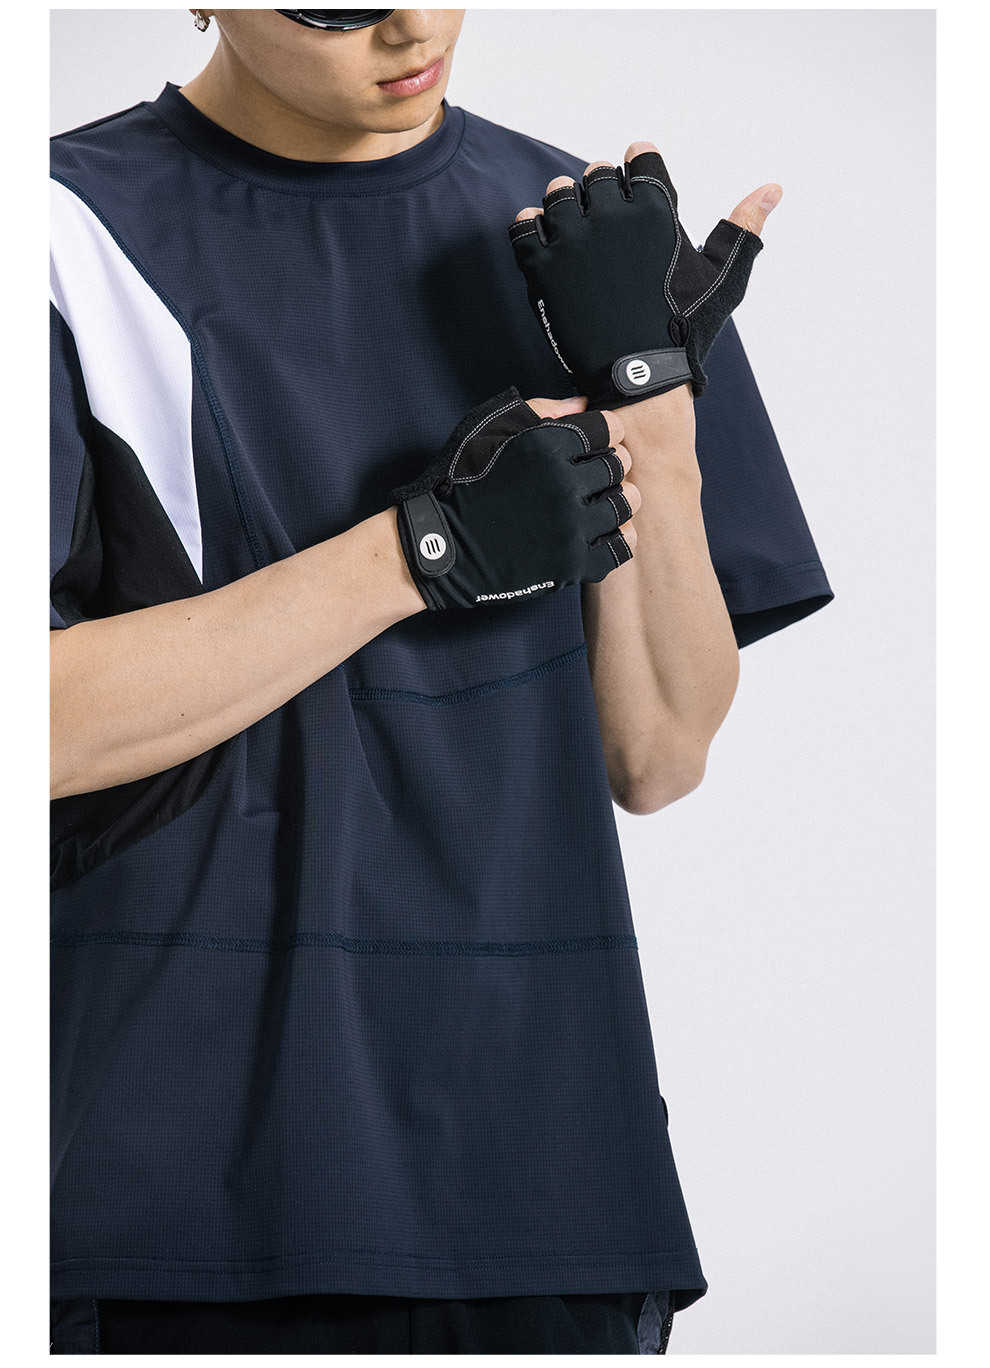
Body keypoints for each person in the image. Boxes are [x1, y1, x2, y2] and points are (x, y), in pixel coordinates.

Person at [49, 8, 834, 1355]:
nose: (408, 24)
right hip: (162, 1173)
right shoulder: (61, 234)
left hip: (538, 1167)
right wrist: (419, 552)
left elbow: (657, 752)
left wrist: (650, 405)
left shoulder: (585, 235)